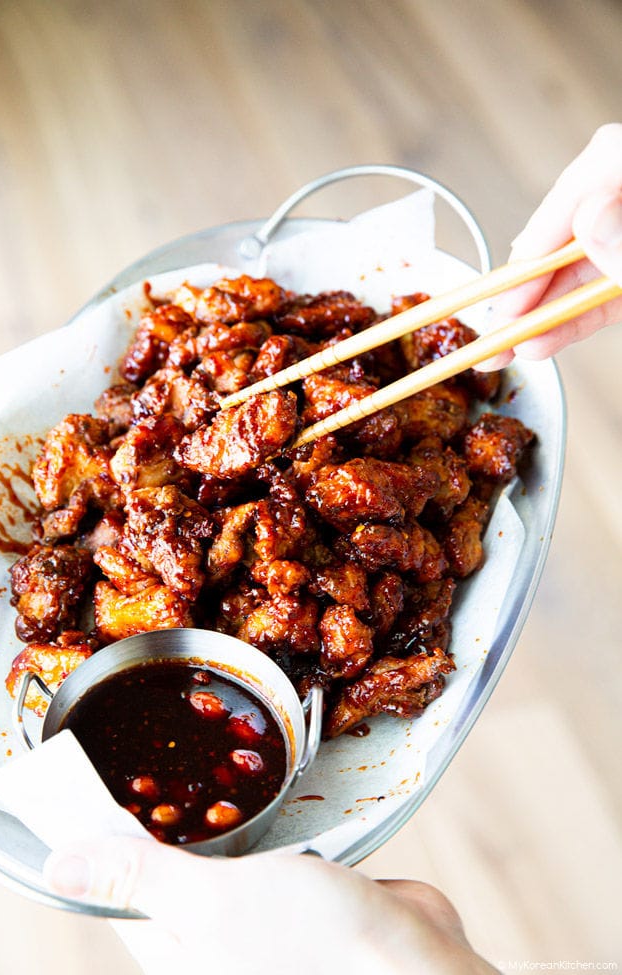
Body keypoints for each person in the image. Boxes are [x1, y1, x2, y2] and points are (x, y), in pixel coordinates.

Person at [43, 124, 622, 975]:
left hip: (339, 534)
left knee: (380, 493)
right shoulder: (176, 510)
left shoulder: (353, 517)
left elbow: (407, 551)